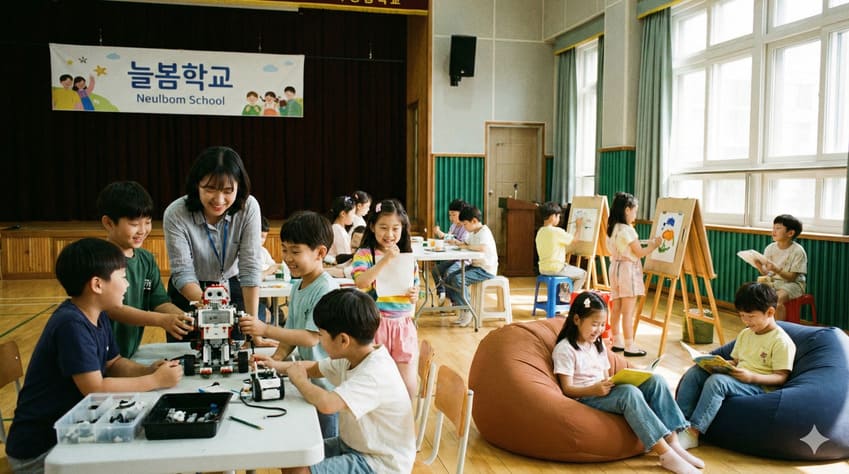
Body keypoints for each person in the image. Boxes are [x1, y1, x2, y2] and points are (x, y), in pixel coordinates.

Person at [4, 238, 183, 473]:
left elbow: (115, 363)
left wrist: (148, 370)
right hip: (43, 452)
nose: (127, 285)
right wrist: (155, 381)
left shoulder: (98, 316)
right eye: (122, 277)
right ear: (97, 284)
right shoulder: (71, 325)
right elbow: (94, 389)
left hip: (76, 431)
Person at [253, 288, 415, 473]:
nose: (319, 341)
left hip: (381, 462)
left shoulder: (374, 373)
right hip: (355, 445)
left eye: (321, 335)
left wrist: (299, 381)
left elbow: (327, 404)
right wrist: (275, 365)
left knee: (299, 470)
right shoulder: (354, 356)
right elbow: (315, 368)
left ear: (343, 340)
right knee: (293, 455)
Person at [552, 291, 704, 474]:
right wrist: (594, 389)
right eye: (594, 324)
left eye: (602, 325)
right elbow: (567, 389)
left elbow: (605, 375)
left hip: (603, 390)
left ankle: (674, 444)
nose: (598, 330)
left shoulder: (597, 345)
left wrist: (615, 381)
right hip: (586, 397)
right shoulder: (565, 349)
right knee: (630, 394)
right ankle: (665, 455)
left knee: (656, 380)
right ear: (576, 319)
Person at [240, 211, 341, 438]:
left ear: (320, 253)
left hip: (325, 385)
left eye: (295, 251)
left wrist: (264, 329)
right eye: (284, 249)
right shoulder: (298, 286)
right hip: (307, 381)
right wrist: (275, 360)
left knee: (325, 443)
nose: (287, 257)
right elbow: (290, 334)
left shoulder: (325, 289)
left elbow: (310, 337)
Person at [162, 146, 272, 346]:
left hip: (234, 281)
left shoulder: (248, 207)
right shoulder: (176, 213)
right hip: (190, 289)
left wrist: (254, 332)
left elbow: (249, 267)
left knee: (240, 346)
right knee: (189, 349)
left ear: (239, 186)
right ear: (197, 185)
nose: (219, 200)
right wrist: (213, 307)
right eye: (210, 189)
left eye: (228, 191)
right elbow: (182, 271)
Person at [675, 282, 796, 450]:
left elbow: (781, 377)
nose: (746, 321)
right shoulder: (746, 333)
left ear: (770, 312)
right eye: (742, 316)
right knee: (696, 372)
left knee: (717, 382)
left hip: (759, 386)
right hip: (739, 378)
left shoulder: (781, 341)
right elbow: (737, 362)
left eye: (751, 316)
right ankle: (678, 423)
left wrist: (752, 377)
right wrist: (714, 363)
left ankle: (693, 432)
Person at [96, 181, 194, 358]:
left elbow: (159, 302)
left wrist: (186, 317)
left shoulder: (146, 260)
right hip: (101, 354)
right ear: (109, 223)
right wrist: (161, 320)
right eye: (134, 224)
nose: (143, 230)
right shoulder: (99, 260)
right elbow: (114, 309)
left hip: (127, 354)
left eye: (147, 222)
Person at [352, 199, 419, 397]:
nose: (389, 234)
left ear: (403, 229)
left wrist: (415, 294)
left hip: (402, 326)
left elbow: (415, 290)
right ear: (372, 226)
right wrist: (386, 260)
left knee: (407, 385)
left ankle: (405, 424)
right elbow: (361, 282)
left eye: (395, 228)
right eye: (383, 227)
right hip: (374, 324)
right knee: (374, 381)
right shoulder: (364, 254)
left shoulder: (407, 257)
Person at [606, 192, 662, 357]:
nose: (635, 215)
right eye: (635, 211)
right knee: (628, 311)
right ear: (627, 210)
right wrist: (654, 245)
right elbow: (639, 252)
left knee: (616, 308)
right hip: (627, 270)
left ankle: (617, 341)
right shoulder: (628, 230)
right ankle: (630, 345)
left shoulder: (613, 227)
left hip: (614, 268)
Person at [445, 205, 498, 327]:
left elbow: (482, 248)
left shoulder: (484, 232)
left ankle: (468, 309)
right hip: (476, 266)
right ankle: (462, 308)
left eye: (465, 224)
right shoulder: (473, 232)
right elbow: (466, 243)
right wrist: (457, 243)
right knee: (449, 278)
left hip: (485, 269)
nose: (464, 227)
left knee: (458, 279)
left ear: (474, 221)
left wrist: (466, 246)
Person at [757, 214, 807, 320]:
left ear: (790, 233)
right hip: (773, 281)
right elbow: (767, 273)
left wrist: (776, 269)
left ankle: (780, 330)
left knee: (777, 299)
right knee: (754, 293)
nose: (774, 231)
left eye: (778, 228)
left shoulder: (798, 251)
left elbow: (792, 278)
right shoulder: (770, 248)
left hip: (793, 284)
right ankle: (761, 326)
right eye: (773, 228)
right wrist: (759, 266)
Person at [535, 201, 588, 298]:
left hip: (542, 269)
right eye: (558, 216)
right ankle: (568, 298)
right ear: (552, 217)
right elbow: (575, 239)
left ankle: (562, 298)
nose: (559, 219)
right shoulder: (556, 231)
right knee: (583, 274)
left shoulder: (540, 232)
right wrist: (579, 226)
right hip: (556, 268)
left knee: (567, 270)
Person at [431, 198, 470, 303]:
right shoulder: (453, 226)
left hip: (464, 260)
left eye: (454, 215)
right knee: (436, 270)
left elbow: (461, 243)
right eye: (450, 215)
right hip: (454, 258)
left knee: (449, 273)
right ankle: (442, 294)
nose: (451, 218)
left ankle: (454, 301)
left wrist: (442, 235)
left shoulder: (467, 226)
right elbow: (449, 240)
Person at [327, 195, 355, 262]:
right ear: (343, 213)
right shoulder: (338, 230)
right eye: (353, 213)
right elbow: (345, 258)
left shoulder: (336, 228)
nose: (354, 216)